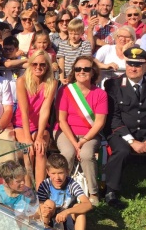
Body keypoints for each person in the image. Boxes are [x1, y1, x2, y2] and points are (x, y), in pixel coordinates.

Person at [54, 55, 108, 206]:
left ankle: (93, 192)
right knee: (68, 153)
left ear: (93, 72)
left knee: (86, 154)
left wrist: (83, 141)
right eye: (78, 69)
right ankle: (62, 190)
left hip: (89, 134)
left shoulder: (100, 94)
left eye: (86, 69)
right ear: (74, 71)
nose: (81, 71)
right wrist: (74, 142)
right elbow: (61, 120)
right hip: (65, 131)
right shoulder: (65, 90)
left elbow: (99, 123)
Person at [104, 46, 146, 208]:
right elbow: (114, 119)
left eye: (137, 65)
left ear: (145, 66)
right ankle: (111, 191)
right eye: (130, 64)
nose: (133, 68)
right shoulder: (113, 85)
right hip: (121, 132)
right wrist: (132, 142)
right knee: (121, 151)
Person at [37, 153, 94, 230]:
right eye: (53, 173)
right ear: (48, 172)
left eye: (61, 173)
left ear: (67, 172)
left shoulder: (72, 184)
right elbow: (40, 205)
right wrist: (48, 210)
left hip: (66, 219)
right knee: (48, 203)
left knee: (79, 208)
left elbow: (88, 204)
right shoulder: (45, 185)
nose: (57, 177)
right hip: (49, 220)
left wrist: (67, 211)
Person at [13, 51, 57, 184]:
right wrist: (28, 138)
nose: (38, 67)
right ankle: (28, 190)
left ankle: (40, 191)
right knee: (29, 151)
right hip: (21, 123)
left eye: (42, 64)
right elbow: (24, 111)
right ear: (30, 65)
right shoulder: (22, 81)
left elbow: (45, 110)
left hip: (40, 125)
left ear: (47, 66)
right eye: (35, 64)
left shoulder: (52, 83)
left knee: (40, 149)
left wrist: (38, 137)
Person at [56, 18, 92, 84]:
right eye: (70, 33)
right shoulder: (62, 44)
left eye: (76, 34)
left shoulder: (86, 44)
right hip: (65, 77)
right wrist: (61, 78)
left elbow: (85, 61)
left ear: (82, 33)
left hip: (79, 77)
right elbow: (61, 61)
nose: (73, 36)